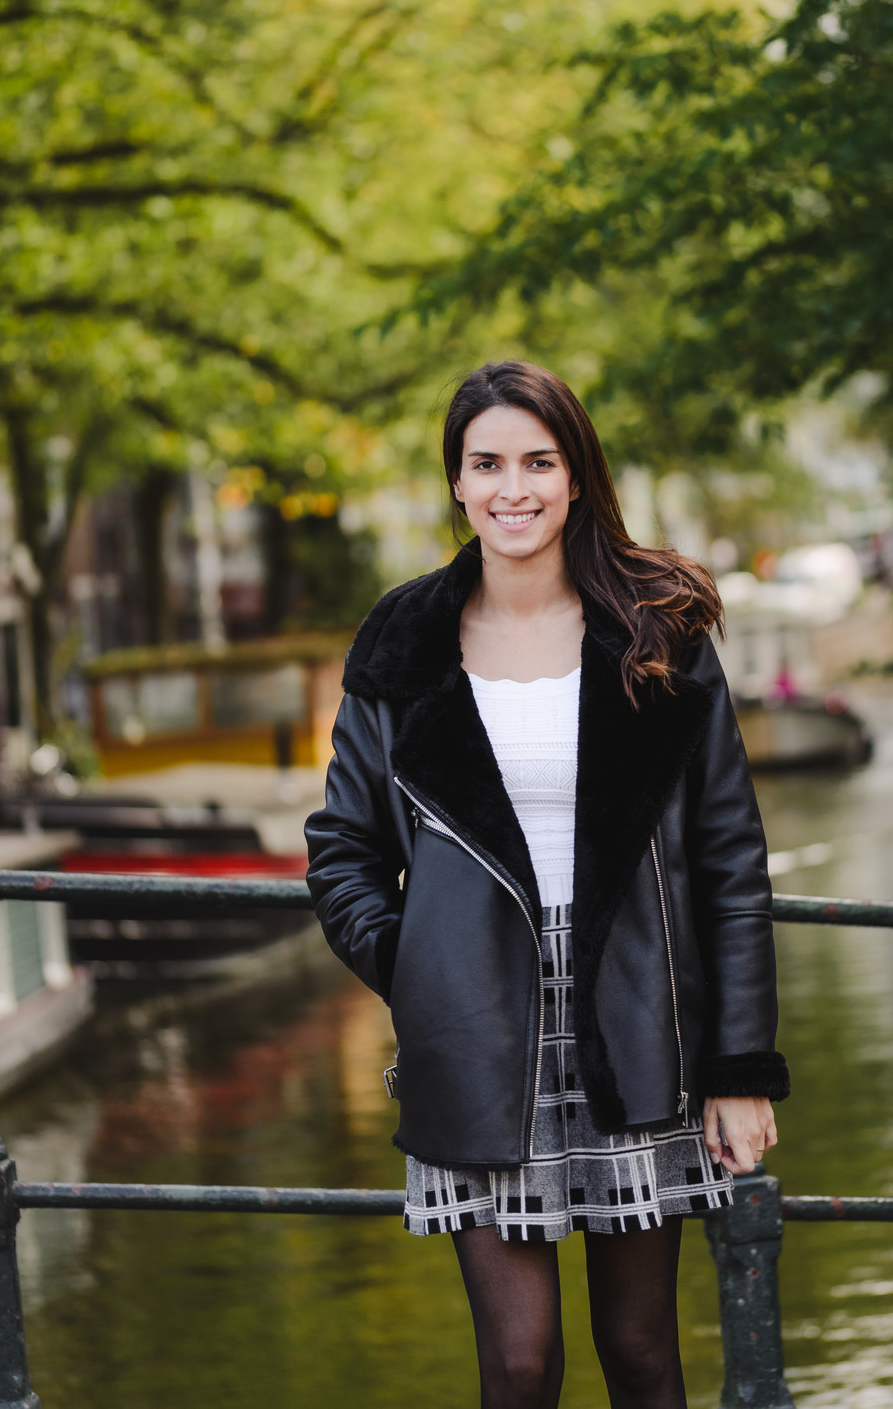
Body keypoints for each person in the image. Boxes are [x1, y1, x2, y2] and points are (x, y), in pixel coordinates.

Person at [305, 360, 789, 1409]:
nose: (511, 488)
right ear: (457, 482)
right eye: (487, 464)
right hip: (474, 1034)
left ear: (576, 477)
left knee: (643, 1353)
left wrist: (740, 1065)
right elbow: (340, 846)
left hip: (640, 1017)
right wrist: (417, 968)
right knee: (519, 1368)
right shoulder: (402, 641)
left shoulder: (659, 632)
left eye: (537, 460)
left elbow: (729, 859)